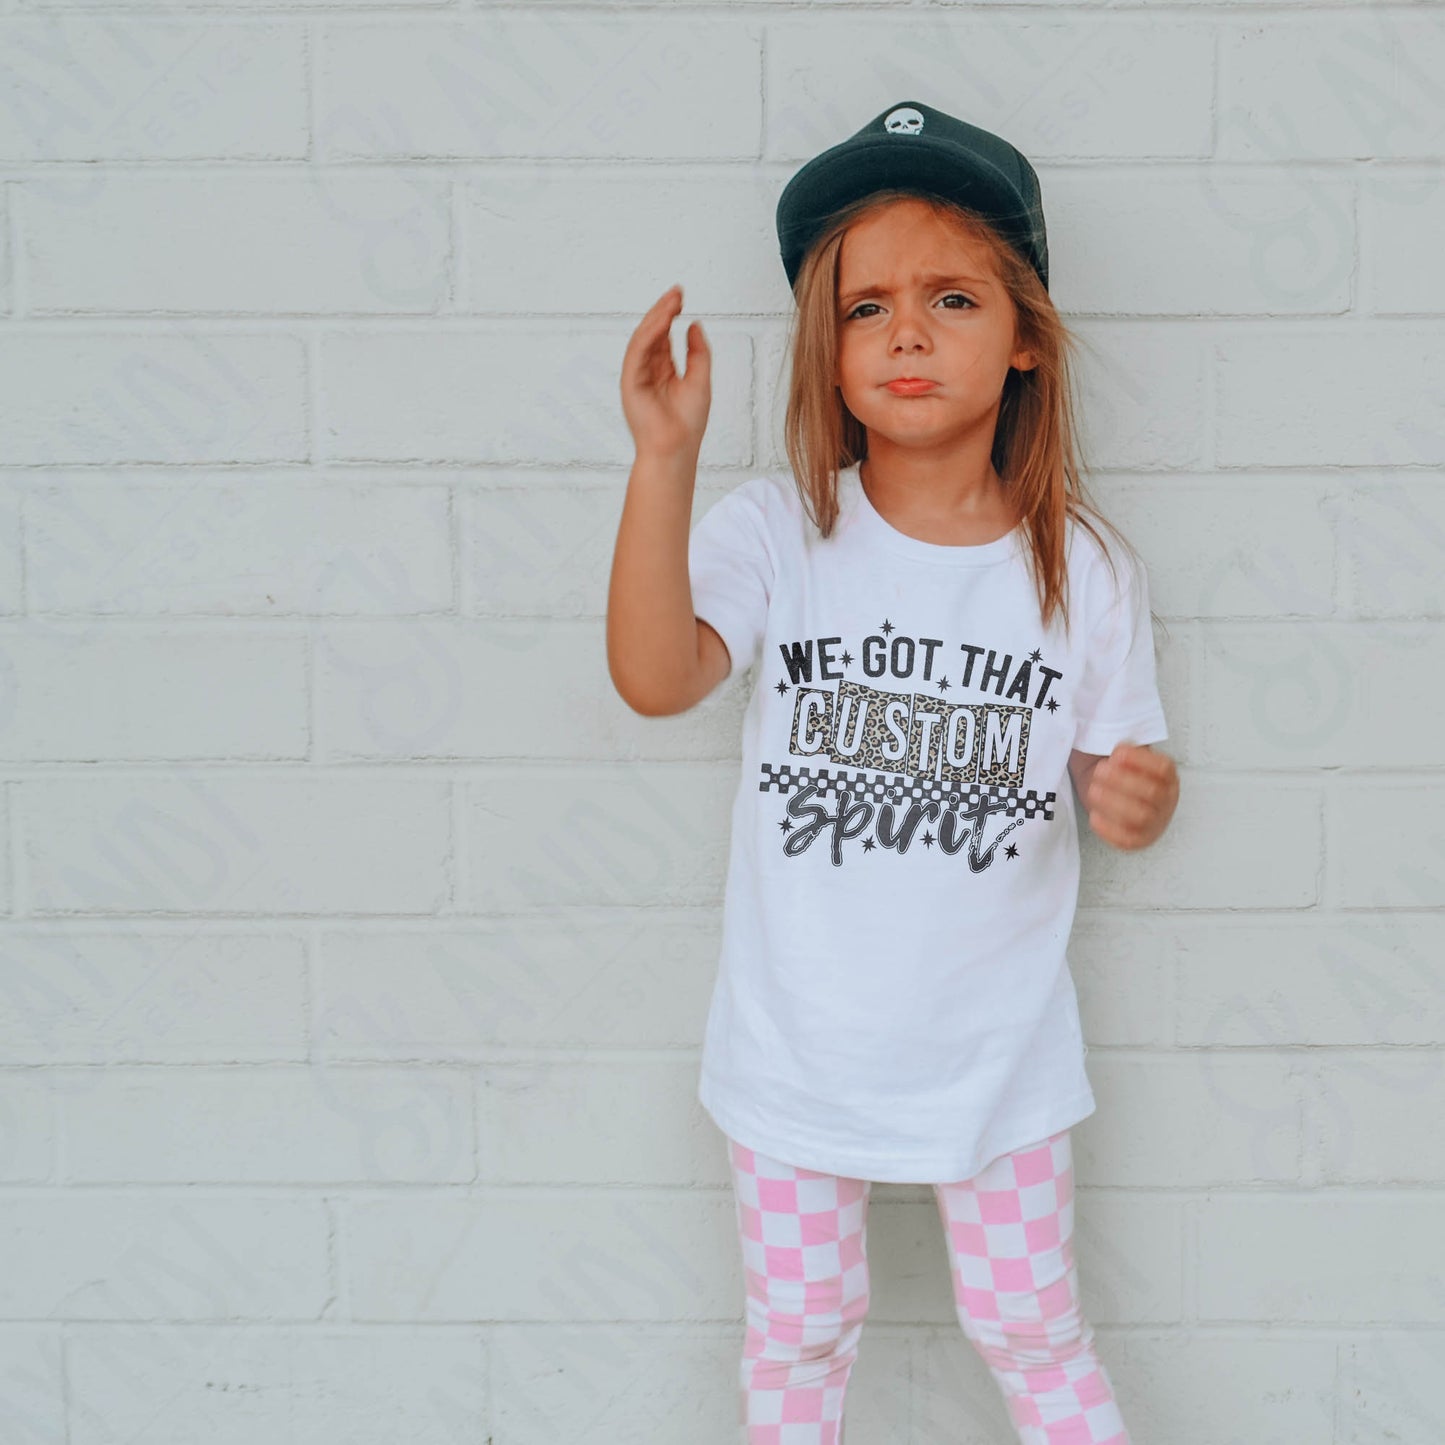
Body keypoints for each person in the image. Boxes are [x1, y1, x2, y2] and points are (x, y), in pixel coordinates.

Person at [609, 99, 1180, 1445]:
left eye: (950, 298)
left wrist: (1138, 797)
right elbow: (655, 677)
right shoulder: (780, 532)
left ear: (1025, 334)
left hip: (1000, 1062)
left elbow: (1124, 772)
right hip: (795, 1057)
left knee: (1035, 1330)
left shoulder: (1084, 568)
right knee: (799, 1336)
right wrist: (664, 459)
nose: (906, 334)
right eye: (865, 308)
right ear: (829, 348)